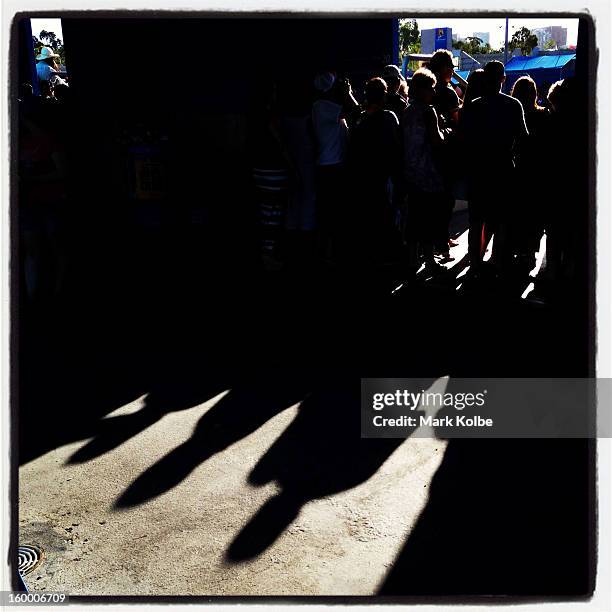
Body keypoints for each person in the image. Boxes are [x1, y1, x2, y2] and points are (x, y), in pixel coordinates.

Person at [460, 60, 528, 277]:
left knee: (476, 219)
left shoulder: (473, 107)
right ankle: (497, 261)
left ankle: (475, 263)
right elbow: (523, 139)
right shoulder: (513, 105)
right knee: (501, 220)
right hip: (504, 169)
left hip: (478, 171)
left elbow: (463, 140)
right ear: (503, 79)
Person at [348, 77, 402, 267]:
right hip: (385, 176)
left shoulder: (358, 121)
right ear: (384, 95)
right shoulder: (389, 118)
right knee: (386, 217)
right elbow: (396, 147)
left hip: (364, 178)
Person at [401, 68, 447, 273]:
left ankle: (412, 259)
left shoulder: (407, 111)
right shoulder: (429, 111)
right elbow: (437, 141)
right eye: (431, 88)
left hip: (409, 171)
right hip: (427, 172)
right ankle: (429, 260)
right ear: (423, 89)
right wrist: (447, 133)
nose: (434, 93)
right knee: (428, 218)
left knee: (413, 218)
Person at [311, 71, 360, 262]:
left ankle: (325, 250)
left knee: (327, 209)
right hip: (332, 166)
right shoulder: (326, 107)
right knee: (333, 211)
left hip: (326, 164)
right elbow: (356, 112)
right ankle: (329, 252)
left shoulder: (318, 106)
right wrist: (348, 93)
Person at [509, 76, 551, 269]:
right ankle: (530, 252)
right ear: (534, 93)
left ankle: (517, 250)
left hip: (517, 169)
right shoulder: (544, 115)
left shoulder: (511, 113)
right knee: (534, 215)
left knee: (517, 212)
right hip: (538, 171)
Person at [428, 49, 461, 259]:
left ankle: (436, 239)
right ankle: (441, 242)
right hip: (445, 151)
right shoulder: (448, 93)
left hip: (427, 151)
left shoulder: (427, 89)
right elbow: (457, 121)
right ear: (444, 69)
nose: (452, 71)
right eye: (450, 67)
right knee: (445, 199)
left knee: (431, 199)